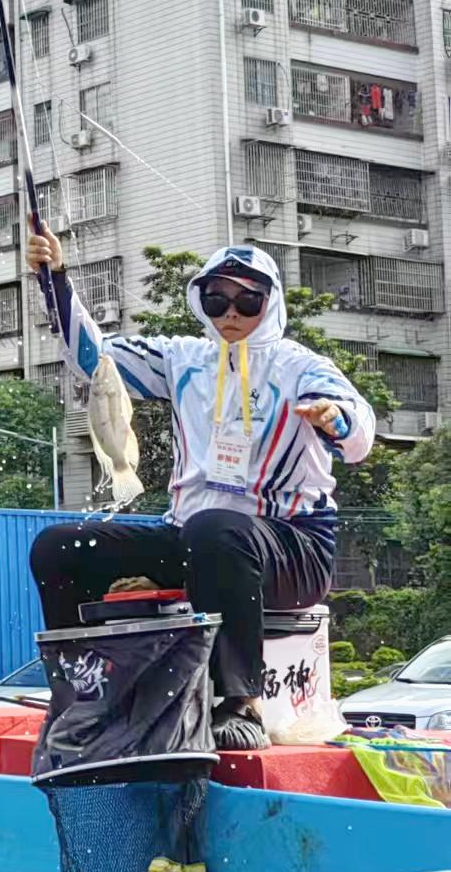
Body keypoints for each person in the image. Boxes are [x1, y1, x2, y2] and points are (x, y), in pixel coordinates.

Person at [25, 232, 374, 750]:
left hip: (292, 548)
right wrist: (53, 280)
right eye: (216, 300)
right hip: (194, 539)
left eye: (247, 300)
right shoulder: (182, 358)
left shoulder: (301, 366)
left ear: (270, 301)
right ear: (201, 301)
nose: (230, 313)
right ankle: (84, 691)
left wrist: (334, 419)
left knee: (217, 529)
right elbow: (91, 357)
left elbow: (361, 433)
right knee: (60, 545)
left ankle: (240, 702)